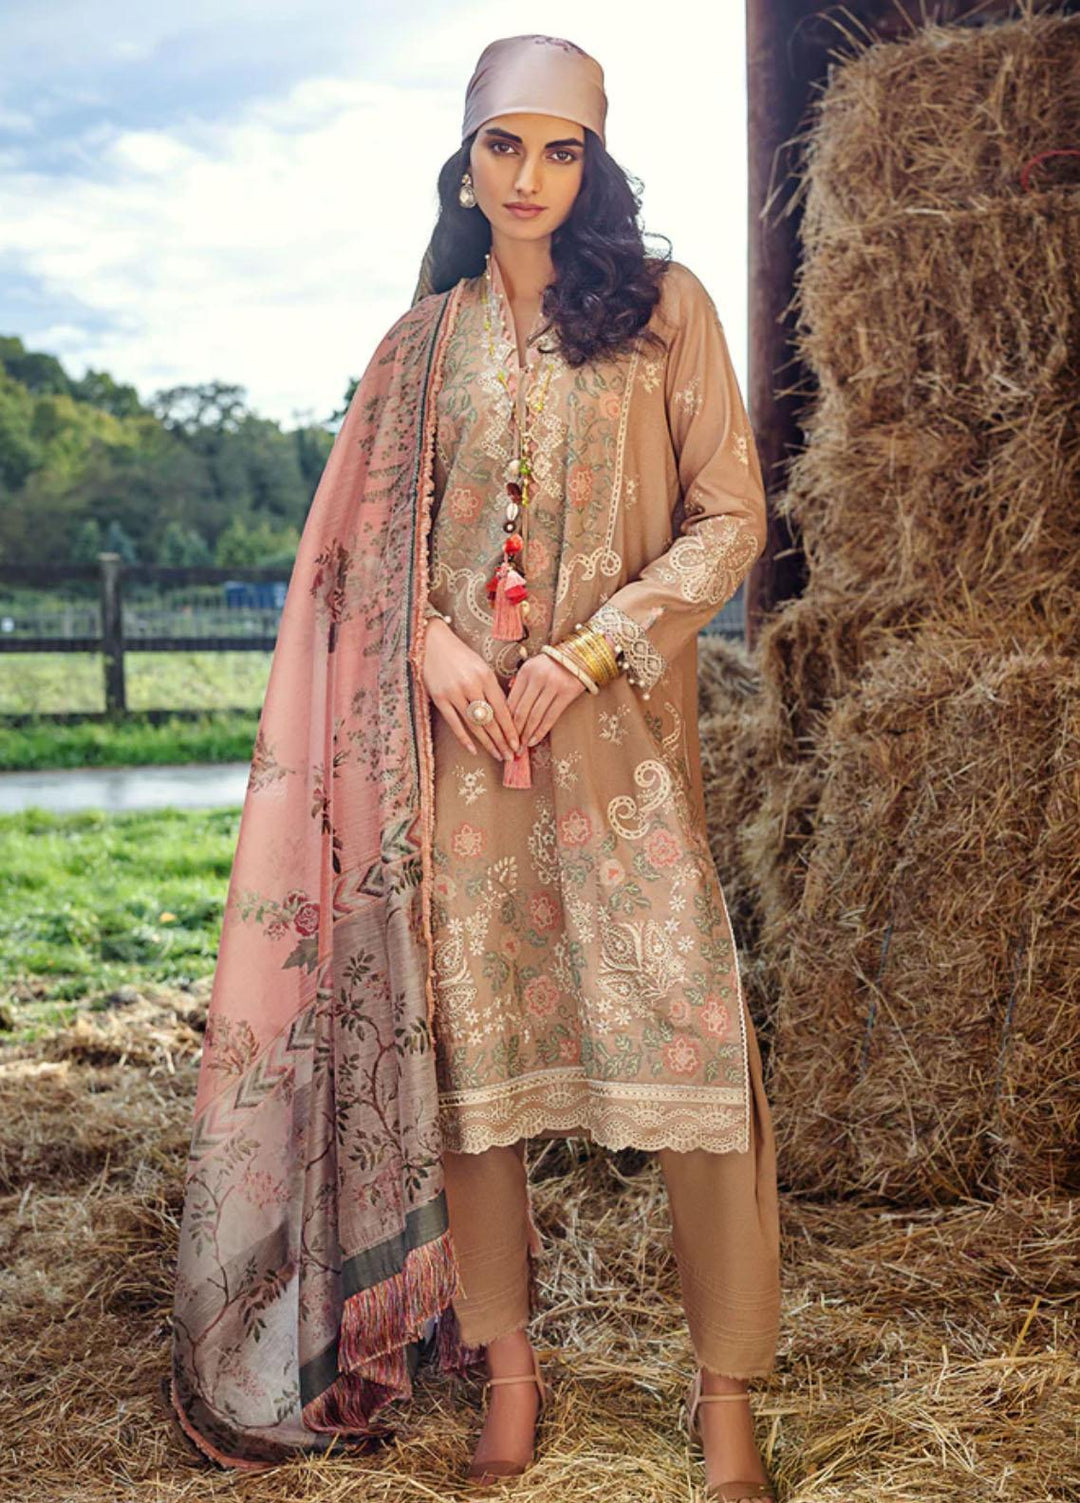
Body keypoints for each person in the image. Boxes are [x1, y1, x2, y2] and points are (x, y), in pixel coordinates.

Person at [169, 34, 779, 1503]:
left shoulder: (666, 313)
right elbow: (354, 551)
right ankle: (510, 1383)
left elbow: (731, 518)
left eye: (562, 150)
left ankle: (728, 1406)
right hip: (458, 770)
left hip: (619, 759)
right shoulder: (418, 345)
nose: (529, 177)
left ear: (596, 166)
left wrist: (597, 649)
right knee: (471, 1080)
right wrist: (432, 644)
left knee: (700, 1061)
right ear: (464, 163)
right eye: (505, 146)